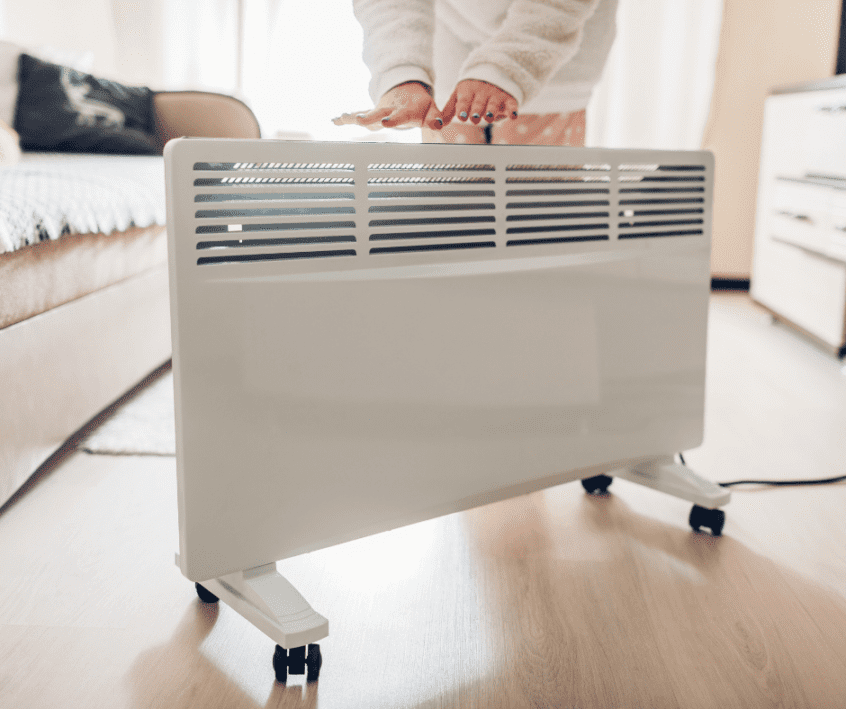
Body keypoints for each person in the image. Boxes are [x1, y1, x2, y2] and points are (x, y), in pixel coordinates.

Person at [333, 0, 618, 148]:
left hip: (551, 68)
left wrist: (510, 65)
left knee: (536, 222)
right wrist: (402, 74)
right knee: (454, 219)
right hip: (445, 77)